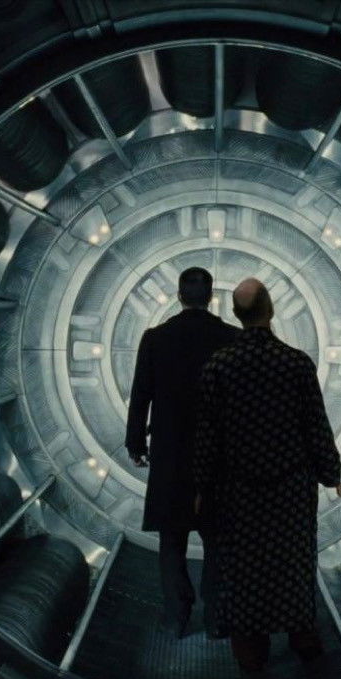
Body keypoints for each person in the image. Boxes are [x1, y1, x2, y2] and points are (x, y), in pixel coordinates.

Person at [191, 278, 341, 673]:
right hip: (290, 487)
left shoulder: (219, 366)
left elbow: (208, 433)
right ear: (270, 310)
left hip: (238, 490)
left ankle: (251, 651)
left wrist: (201, 485)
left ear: (236, 314)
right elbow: (315, 425)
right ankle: (303, 638)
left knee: (243, 569)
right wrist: (331, 473)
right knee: (292, 563)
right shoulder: (295, 363)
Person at [125, 267, 242, 638]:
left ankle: (177, 617)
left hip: (171, 454)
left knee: (172, 540)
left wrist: (136, 444)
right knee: (218, 539)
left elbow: (141, 395)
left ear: (179, 296)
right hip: (218, 457)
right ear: (211, 298)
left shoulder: (155, 339)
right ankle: (216, 618)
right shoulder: (233, 339)